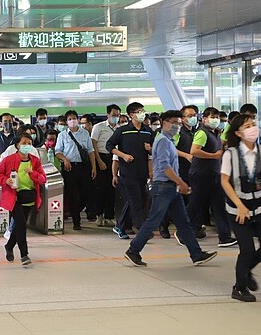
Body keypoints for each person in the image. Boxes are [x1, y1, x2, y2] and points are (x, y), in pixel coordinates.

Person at [124, 111, 218, 267]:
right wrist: (180, 182)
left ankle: (196, 254)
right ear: (164, 123)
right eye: (174, 122)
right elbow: (164, 166)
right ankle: (133, 250)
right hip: (164, 187)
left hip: (170, 187)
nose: (177, 126)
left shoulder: (169, 140)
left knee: (183, 223)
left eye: (179, 123)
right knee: (153, 221)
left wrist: (177, 183)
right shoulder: (162, 141)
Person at [220, 114, 261, 302]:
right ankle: (239, 288)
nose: (252, 128)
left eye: (253, 124)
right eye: (247, 126)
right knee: (246, 250)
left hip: (259, 209)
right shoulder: (230, 154)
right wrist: (239, 205)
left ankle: (246, 271)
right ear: (238, 133)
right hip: (238, 211)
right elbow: (224, 181)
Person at [185, 107, 237, 248]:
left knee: (219, 205)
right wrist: (213, 156)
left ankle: (225, 237)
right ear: (204, 118)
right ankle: (184, 230)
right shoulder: (202, 133)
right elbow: (194, 151)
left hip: (214, 174)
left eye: (217, 117)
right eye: (212, 117)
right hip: (201, 175)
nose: (216, 120)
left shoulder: (215, 133)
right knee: (195, 204)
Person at [0, 133, 46, 266]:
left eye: (29, 143)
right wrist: (6, 180)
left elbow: (42, 178)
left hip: (29, 197)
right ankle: (24, 254)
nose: (27, 146)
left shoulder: (35, 161)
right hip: (14, 198)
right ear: (17, 145)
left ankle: (9, 246)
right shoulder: (9, 159)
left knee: (18, 225)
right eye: (24, 143)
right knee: (21, 224)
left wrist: (32, 173)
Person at [106, 102, 154, 239]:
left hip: (142, 172)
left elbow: (152, 153)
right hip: (127, 172)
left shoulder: (147, 131)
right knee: (136, 201)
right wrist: (123, 155)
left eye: (143, 110)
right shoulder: (123, 131)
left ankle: (119, 226)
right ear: (131, 115)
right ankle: (143, 230)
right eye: (139, 111)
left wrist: (150, 150)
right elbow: (109, 145)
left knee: (137, 199)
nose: (142, 113)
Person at [159, 105, 198, 239]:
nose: (192, 118)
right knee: (170, 202)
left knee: (187, 201)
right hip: (178, 171)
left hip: (192, 171)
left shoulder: (196, 132)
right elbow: (172, 149)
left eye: (194, 115)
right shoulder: (177, 134)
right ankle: (163, 225)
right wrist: (186, 155)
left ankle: (188, 231)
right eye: (189, 115)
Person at [55, 110, 96, 230]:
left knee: (87, 193)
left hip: (83, 167)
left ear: (77, 120)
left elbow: (90, 151)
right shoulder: (62, 135)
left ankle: (75, 212)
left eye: (74, 118)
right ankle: (76, 222)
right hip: (69, 168)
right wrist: (65, 160)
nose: (72, 121)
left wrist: (93, 167)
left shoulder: (85, 133)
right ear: (67, 122)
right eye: (69, 119)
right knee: (73, 195)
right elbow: (58, 151)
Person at [91, 104, 120, 227]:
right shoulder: (99, 127)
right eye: (113, 115)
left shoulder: (120, 128)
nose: (116, 117)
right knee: (100, 189)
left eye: (118, 115)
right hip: (102, 157)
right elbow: (94, 144)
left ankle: (109, 216)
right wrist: (99, 161)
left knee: (112, 189)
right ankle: (99, 215)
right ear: (108, 114)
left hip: (115, 159)